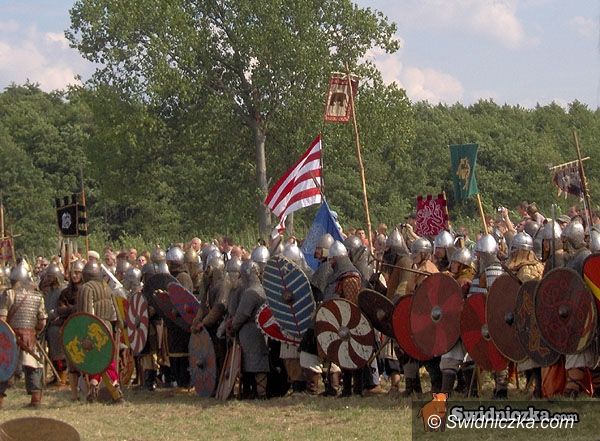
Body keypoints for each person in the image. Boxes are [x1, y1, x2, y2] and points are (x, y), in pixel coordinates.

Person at [0, 261, 47, 408]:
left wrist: (9, 334)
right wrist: (34, 332)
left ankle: (0, 399)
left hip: (11, 338)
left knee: (4, 365)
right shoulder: (37, 296)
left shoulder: (9, 294)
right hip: (30, 337)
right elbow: (42, 321)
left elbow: (2, 320)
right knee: (33, 366)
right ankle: (36, 399)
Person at [77, 261, 122, 403]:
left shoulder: (86, 288)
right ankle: (113, 385)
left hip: (93, 328)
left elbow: (86, 313)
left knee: (93, 359)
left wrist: (84, 332)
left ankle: (94, 386)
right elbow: (115, 312)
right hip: (107, 327)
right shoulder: (106, 287)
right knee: (108, 360)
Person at [229, 256, 270, 399]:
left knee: (255, 364)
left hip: (251, 332)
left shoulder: (250, 292)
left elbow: (242, 315)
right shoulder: (263, 290)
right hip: (262, 331)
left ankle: (259, 393)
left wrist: (233, 327)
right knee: (258, 363)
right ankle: (257, 393)